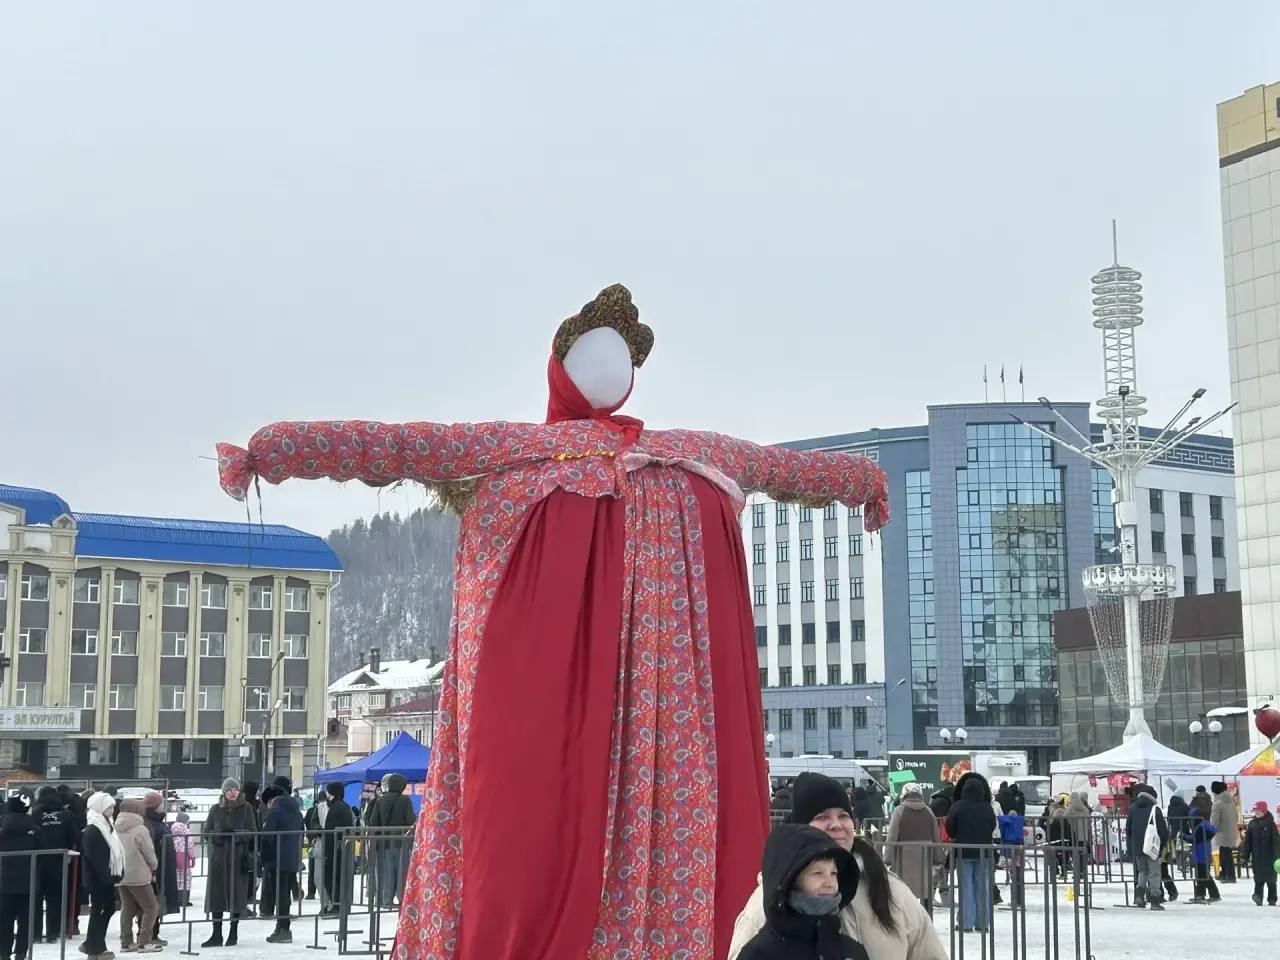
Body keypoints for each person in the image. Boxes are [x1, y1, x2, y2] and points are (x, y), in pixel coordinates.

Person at [728, 772, 946, 960]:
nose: (836, 825)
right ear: (801, 829)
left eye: (843, 815)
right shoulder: (773, 896)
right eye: (822, 817)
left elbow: (929, 952)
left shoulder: (891, 889)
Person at [735, 824, 870, 960]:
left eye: (833, 873)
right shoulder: (759, 954)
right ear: (790, 880)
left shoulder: (851, 951)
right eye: (818, 873)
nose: (829, 883)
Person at [203, 778, 258, 948]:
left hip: (237, 857)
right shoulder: (215, 809)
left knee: (236, 893)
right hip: (219, 858)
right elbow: (207, 832)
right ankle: (216, 933)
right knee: (216, 894)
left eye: (235, 789)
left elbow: (252, 831)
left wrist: (235, 834)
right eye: (229, 790)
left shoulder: (246, 808)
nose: (233, 792)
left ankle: (233, 932)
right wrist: (220, 834)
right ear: (224, 792)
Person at [945, 776, 997, 933]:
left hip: (963, 852)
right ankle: (982, 923)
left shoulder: (957, 806)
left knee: (965, 887)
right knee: (982, 887)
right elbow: (992, 826)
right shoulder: (987, 807)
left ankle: (966, 923)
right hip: (984, 853)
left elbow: (950, 827)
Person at [884, 783, 940, 917]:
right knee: (925, 892)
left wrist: (888, 858)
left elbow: (892, 835)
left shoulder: (899, 810)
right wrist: (938, 858)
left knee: (903, 893)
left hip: (903, 860)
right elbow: (936, 836)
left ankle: (905, 920)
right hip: (924, 859)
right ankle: (927, 919)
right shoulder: (928, 811)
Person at [31, 784, 78, 944]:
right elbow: (74, 837)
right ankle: (52, 933)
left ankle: (36, 933)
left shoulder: (35, 813)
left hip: (36, 861)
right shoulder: (67, 815)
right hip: (59, 860)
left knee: (36, 899)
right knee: (55, 899)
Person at [259, 781, 304, 943]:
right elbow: (302, 832)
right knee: (284, 894)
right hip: (291, 858)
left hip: (275, 860)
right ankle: (283, 927)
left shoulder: (275, 812)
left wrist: (264, 859)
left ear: (272, 800)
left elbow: (267, 837)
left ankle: (283, 928)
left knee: (280, 894)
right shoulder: (296, 811)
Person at [81, 792, 123, 960]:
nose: (113, 810)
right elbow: (96, 857)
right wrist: (106, 876)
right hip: (98, 878)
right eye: (109, 807)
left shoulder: (106, 825)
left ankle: (94, 945)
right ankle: (94, 948)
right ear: (100, 807)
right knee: (101, 910)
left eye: (113, 806)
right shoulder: (93, 828)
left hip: (106, 876)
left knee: (105, 909)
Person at [115, 799, 161, 953]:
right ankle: (144, 941)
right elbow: (149, 853)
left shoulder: (114, 827)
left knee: (127, 908)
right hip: (138, 875)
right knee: (151, 907)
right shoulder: (140, 829)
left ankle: (126, 942)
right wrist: (154, 866)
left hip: (120, 873)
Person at [366, 773, 417, 909]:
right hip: (401, 842)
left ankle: (385, 899)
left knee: (385, 872)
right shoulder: (405, 800)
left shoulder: (380, 800)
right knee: (401, 872)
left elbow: (373, 822)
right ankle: (402, 899)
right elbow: (411, 819)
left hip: (383, 842)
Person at [0, 795, 39, 960]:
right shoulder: (35, 830)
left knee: (4, 920)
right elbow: (43, 852)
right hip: (29, 881)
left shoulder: (2, 831)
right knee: (26, 920)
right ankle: (21, 951)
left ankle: (3, 952)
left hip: (4, 881)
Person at [140, 792, 180, 947]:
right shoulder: (149, 823)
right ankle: (149, 934)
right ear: (155, 805)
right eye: (161, 803)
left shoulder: (157, 820)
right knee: (152, 902)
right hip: (156, 868)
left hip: (163, 867)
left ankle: (153, 933)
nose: (163, 805)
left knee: (157, 901)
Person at [1125, 783, 1168, 909]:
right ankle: (1154, 899)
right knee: (1154, 873)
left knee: (1142, 871)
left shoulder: (1132, 808)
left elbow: (1128, 829)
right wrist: (1163, 844)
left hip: (1138, 846)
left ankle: (1139, 897)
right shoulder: (1155, 809)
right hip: (1152, 846)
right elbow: (1162, 830)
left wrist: (1131, 847)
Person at [319, 783, 355, 919]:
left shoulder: (336, 808)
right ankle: (340, 905)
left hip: (335, 848)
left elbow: (331, 829)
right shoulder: (345, 807)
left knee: (331, 877)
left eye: (328, 792)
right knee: (338, 877)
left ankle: (337, 905)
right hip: (341, 847)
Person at [1241, 800, 1280, 907]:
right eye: (1255, 810)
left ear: (1264, 810)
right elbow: (1247, 842)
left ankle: (1272, 899)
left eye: (1258, 810)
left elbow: (1276, 842)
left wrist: (1278, 857)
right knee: (1258, 879)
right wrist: (1244, 856)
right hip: (1257, 857)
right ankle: (1258, 896)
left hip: (1270, 858)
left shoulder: (1271, 825)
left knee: (1271, 880)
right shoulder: (1252, 824)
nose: (1256, 812)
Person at [1181, 809, 1220, 903]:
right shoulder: (1204, 825)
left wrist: (1184, 835)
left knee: (1203, 876)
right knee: (1202, 875)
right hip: (1203, 854)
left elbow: (1193, 839)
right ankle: (1200, 894)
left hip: (1201, 855)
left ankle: (1212, 894)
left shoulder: (1201, 827)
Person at [1210, 781, 1239, 883]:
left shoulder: (1217, 804)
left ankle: (1228, 875)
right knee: (1227, 853)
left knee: (1224, 854)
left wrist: (1211, 830)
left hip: (1222, 832)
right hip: (1232, 831)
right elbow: (1236, 817)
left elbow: (1214, 821)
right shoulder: (1232, 802)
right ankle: (1227, 875)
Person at [171, 815, 195, 909]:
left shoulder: (172, 830)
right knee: (186, 877)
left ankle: (176, 898)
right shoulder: (186, 831)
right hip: (183, 855)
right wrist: (192, 857)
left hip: (174, 855)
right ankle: (184, 899)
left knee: (177, 876)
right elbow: (189, 845)